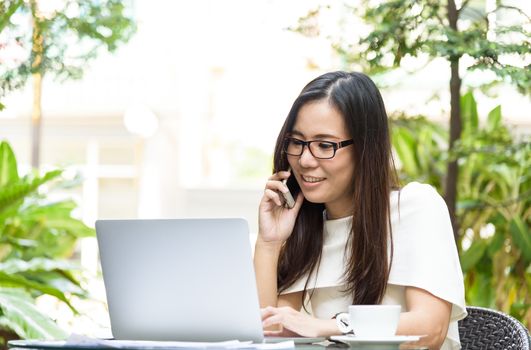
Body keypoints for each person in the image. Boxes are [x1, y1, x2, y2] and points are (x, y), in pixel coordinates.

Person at [254, 71, 467, 350]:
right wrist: (269, 243)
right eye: (297, 142)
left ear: (365, 149)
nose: (305, 160)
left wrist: (329, 327)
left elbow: (430, 329)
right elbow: (268, 333)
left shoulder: (416, 207)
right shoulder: (304, 227)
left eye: (324, 145)